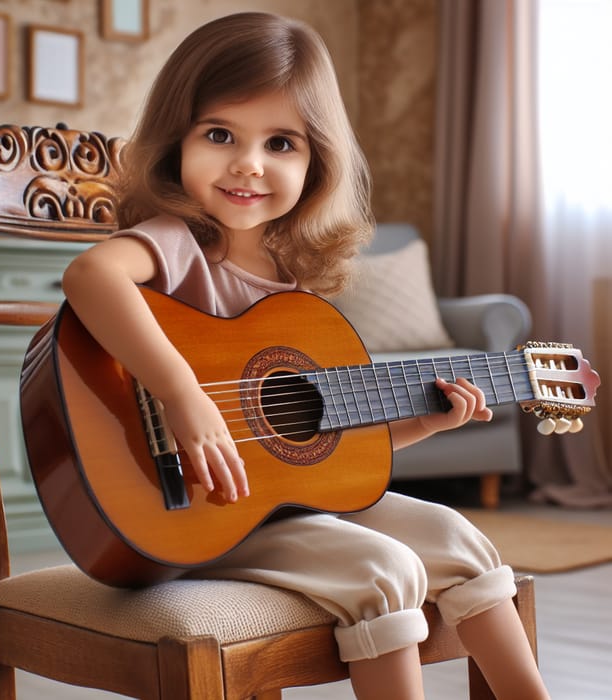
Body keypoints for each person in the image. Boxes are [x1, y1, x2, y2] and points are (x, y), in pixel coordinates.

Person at [62, 12, 550, 700]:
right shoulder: (175, 241)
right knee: (383, 570)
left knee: (459, 538)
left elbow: (328, 451)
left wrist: (424, 424)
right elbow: (91, 277)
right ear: (177, 140)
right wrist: (180, 393)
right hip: (195, 517)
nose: (248, 163)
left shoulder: (289, 287)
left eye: (281, 142)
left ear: (316, 160)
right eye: (220, 133)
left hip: (282, 510)